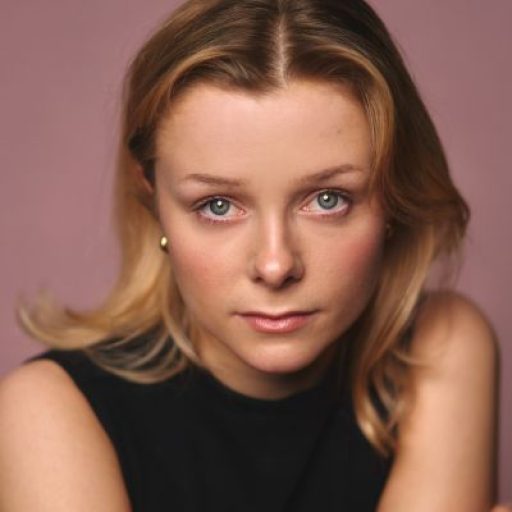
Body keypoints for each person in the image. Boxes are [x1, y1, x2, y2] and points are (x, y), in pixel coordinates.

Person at [0, 0, 507, 510]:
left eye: (328, 200)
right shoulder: (49, 411)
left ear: (395, 194)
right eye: (217, 206)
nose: (275, 265)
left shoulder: (440, 347)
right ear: (152, 199)